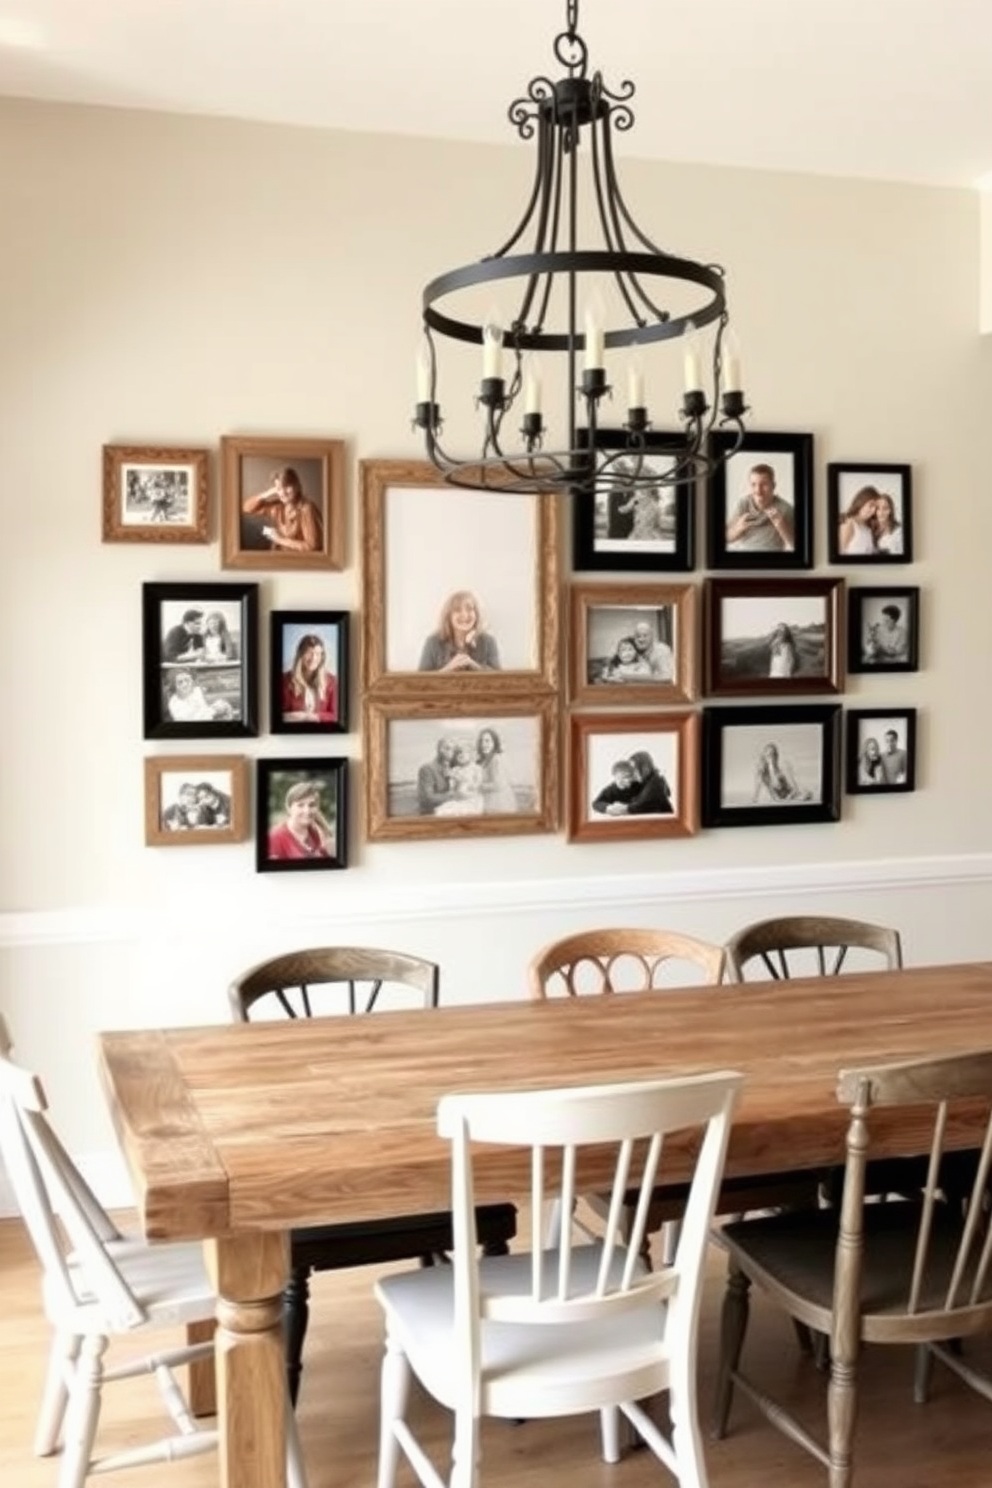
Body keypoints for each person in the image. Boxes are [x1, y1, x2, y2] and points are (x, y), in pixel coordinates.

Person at [242, 467, 323, 554]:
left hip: (299, 562)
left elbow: (312, 546)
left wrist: (279, 539)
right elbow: (247, 509)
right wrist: (268, 493)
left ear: (297, 486)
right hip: (279, 556)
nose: (283, 493)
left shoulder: (307, 508)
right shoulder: (277, 506)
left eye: (287, 486)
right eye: (279, 488)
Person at [418, 591, 501, 673]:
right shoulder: (433, 642)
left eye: (469, 609)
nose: (465, 615)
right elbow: (419, 682)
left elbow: (499, 680)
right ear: (448, 616)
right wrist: (448, 669)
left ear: (476, 614)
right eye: (457, 610)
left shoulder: (488, 641)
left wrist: (474, 666)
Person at [725, 464, 795, 553]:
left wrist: (781, 526)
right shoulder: (743, 504)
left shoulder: (786, 508)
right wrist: (738, 528)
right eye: (753, 484)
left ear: (773, 486)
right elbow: (727, 539)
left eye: (764, 484)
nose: (758, 490)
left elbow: (797, 546)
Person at [267, 779, 334, 859]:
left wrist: (324, 843)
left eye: (311, 805)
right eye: (300, 805)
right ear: (288, 808)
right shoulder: (275, 837)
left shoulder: (316, 833)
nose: (307, 811)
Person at [281, 633, 337, 722]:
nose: (314, 658)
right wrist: (293, 717)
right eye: (309, 653)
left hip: (322, 734)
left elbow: (336, 715)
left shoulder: (332, 681)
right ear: (300, 655)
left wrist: (310, 717)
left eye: (318, 654)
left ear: (322, 657)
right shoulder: (284, 680)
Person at [598, 750, 673, 816]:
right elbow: (598, 802)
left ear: (644, 767)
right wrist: (607, 808)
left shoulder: (656, 781)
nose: (631, 771)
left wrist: (622, 808)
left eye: (634, 768)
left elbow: (641, 806)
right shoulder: (635, 781)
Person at [434, 743, 484, 816]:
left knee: (457, 812)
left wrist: (460, 779)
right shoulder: (455, 769)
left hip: (472, 800)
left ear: (471, 754)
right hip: (458, 800)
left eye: (463, 752)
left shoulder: (476, 768)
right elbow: (452, 789)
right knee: (440, 811)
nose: (460, 755)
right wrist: (450, 779)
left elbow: (477, 785)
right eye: (458, 753)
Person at [476, 727, 518, 814]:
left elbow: (498, 785)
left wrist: (478, 786)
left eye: (487, 741)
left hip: (500, 804)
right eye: (481, 741)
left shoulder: (497, 759)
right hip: (490, 801)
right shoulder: (484, 761)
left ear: (495, 743)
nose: (483, 744)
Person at [166, 669, 233, 722]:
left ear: (192, 681)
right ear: (174, 686)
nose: (185, 684)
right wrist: (213, 710)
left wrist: (218, 705)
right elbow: (190, 720)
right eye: (180, 682)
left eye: (187, 680)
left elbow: (204, 709)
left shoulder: (196, 691)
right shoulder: (174, 702)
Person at [416, 737, 456, 814]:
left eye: (453, 750)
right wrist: (454, 796)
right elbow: (427, 798)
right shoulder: (427, 768)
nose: (451, 752)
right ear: (439, 750)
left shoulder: (454, 769)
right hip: (431, 814)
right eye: (448, 748)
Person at [837, 486, 880, 555]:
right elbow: (840, 555)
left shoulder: (868, 528)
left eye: (876, 507)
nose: (873, 510)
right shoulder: (849, 524)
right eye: (871, 505)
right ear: (862, 502)